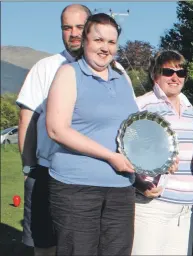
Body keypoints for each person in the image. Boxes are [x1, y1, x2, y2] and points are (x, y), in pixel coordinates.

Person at [45, 13, 138, 255]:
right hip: (77, 189)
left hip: (120, 189)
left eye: (111, 42)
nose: (105, 48)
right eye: (98, 40)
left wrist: (154, 159)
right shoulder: (68, 74)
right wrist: (110, 156)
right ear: (85, 40)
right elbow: (57, 129)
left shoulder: (122, 80)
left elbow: (133, 131)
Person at [15, 4, 91, 255]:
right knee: (46, 246)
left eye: (80, 26)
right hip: (48, 171)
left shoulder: (111, 70)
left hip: (93, 174)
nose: (73, 33)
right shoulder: (45, 68)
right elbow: (27, 118)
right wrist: (29, 167)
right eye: (67, 27)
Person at [131, 50, 193, 255]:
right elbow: (124, 149)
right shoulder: (142, 105)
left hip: (185, 211)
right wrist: (139, 182)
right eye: (168, 71)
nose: (175, 77)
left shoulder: (190, 108)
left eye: (181, 72)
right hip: (152, 207)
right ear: (155, 75)